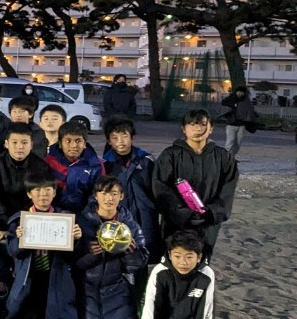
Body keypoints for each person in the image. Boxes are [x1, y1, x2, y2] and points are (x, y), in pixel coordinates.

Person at [151, 109, 238, 261]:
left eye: (203, 124)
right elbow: (161, 187)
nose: (197, 128)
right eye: (192, 124)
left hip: (207, 223)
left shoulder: (223, 157)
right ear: (183, 129)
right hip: (176, 223)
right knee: (174, 261)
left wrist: (212, 212)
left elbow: (228, 189)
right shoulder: (170, 155)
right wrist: (182, 212)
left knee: (201, 261)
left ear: (211, 128)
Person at [4, 175, 83, 319]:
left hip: (55, 274)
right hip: (30, 275)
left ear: (54, 193)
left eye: (48, 190)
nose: (43, 195)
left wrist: (76, 240)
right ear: (29, 194)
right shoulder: (19, 219)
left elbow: (75, 257)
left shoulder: (65, 218)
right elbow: (13, 251)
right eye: (37, 190)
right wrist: (19, 240)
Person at [74, 176, 147, 319]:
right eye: (104, 193)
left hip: (118, 287)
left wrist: (131, 253)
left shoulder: (130, 225)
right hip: (87, 286)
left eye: (114, 194)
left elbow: (140, 263)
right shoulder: (81, 222)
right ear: (95, 196)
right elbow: (72, 262)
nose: (109, 198)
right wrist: (89, 254)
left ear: (122, 196)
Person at [139, 231, 217, 319]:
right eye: (177, 256)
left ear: (199, 257)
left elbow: (206, 309)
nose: (183, 262)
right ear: (170, 255)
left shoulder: (206, 274)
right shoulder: (160, 272)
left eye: (189, 257)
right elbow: (150, 305)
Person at [102, 118, 161, 262]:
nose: (120, 141)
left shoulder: (146, 161)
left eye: (124, 136)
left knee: (142, 257)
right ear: (109, 141)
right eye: (115, 138)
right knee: (118, 258)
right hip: (118, 217)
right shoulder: (105, 164)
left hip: (144, 217)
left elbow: (158, 189)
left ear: (132, 137)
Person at [0, 126, 50, 227]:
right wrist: (1, 222)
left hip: (30, 216)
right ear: (6, 144)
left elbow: (40, 195)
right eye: (14, 142)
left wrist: (24, 217)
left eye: (24, 143)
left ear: (31, 145)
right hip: (0, 216)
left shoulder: (40, 166)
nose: (19, 147)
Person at [44, 123, 103, 214]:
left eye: (78, 141)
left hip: (84, 213)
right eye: (68, 141)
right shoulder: (50, 161)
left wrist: (87, 214)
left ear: (85, 144)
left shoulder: (95, 164)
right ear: (60, 143)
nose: (73, 145)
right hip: (53, 212)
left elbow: (98, 193)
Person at [220, 86, 257, 158]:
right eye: (239, 92)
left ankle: (232, 157)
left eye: (242, 92)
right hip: (231, 124)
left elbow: (250, 111)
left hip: (241, 125)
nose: (240, 93)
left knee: (238, 143)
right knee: (230, 141)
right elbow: (224, 103)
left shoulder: (246, 101)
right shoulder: (230, 99)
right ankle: (226, 157)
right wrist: (233, 105)